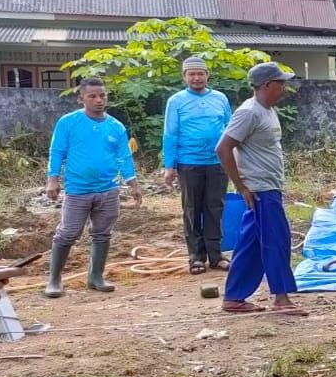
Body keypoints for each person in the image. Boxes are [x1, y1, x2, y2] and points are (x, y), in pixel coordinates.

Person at [215, 62, 306, 316]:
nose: (284, 88)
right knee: (275, 241)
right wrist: (241, 186)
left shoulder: (268, 110)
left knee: (251, 244)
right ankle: (281, 298)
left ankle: (234, 297)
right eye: (280, 83)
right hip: (260, 190)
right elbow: (223, 148)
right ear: (267, 85)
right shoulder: (249, 112)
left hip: (268, 187)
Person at [43, 77, 143, 298]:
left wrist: (133, 184)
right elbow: (57, 151)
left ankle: (95, 277)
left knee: (102, 234)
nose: (99, 100)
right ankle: (54, 280)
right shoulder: (68, 122)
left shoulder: (115, 126)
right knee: (67, 233)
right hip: (78, 190)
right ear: (81, 99)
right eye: (92, 96)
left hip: (108, 189)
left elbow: (124, 157)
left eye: (102, 95)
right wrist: (53, 179)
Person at [163, 56, 233, 274]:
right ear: (184, 76)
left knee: (215, 208)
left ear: (207, 75)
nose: (196, 78)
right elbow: (170, 134)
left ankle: (216, 256)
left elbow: (230, 129)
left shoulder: (220, 98)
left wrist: (235, 159)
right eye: (191, 74)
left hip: (217, 163)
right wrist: (169, 166)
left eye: (200, 73)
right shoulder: (176, 101)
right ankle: (196, 258)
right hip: (189, 163)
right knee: (192, 209)